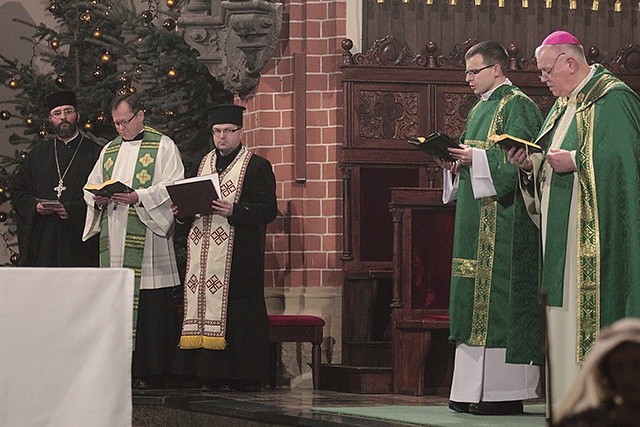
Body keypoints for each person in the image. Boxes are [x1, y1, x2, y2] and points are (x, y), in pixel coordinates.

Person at [507, 30, 640, 408]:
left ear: (571, 61)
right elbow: (550, 158)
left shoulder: (612, 99)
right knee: (561, 324)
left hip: (594, 242)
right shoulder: (565, 105)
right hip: (560, 241)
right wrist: (529, 163)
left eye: (548, 70)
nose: (543, 79)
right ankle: (568, 405)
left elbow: (625, 164)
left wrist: (578, 162)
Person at [441, 41, 544, 416]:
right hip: (475, 215)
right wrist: (457, 163)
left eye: (474, 71)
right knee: (471, 296)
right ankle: (469, 389)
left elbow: (521, 160)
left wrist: (476, 157)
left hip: (506, 220)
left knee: (499, 300)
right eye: (467, 72)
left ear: (497, 69)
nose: (468, 78)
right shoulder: (480, 107)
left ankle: (502, 392)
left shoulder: (517, 104)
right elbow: (480, 159)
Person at [83, 93, 185, 389]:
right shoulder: (110, 151)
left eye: (124, 122)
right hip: (115, 233)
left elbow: (174, 185)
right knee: (119, 298)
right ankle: (120, 369)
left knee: (150, 302)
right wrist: (98, 198)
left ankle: (152, 370)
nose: (120, 129)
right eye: (115, 123)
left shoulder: (162, 145)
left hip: (148, 237)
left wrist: (139, 196)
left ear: (140, 115)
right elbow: (90, 187)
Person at [173, 103, 277, 390]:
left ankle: (241, 377)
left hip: (239, 256)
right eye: (217, 131)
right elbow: (193, 204)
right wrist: (181, 210)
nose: (222, 137)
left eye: (228, 131)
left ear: (240, 132)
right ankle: (208, 375)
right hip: (204, 255)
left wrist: (235, 210)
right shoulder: (203, 163)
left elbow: (268, 209)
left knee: (237, 314)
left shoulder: (256, 166)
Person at [11, 90, 102, 267]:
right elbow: (19, 193)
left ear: (77, 115)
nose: (63, 117)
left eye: (68, 111)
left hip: (80, 243)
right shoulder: (37, 155)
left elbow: (102, 197)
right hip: (45, 242)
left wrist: (71, 209)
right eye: (57, 113)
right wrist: (35, 206)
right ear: (50, 119)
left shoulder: (95, 153)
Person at [555, 318, 640, 427]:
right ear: (607, 375)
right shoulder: (585, 423)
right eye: (619, 368)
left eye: (637, 365)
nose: (629, 377)